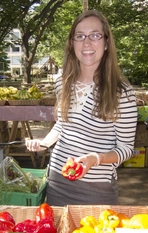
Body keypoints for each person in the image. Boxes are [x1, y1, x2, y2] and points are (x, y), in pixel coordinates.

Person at [25, 10, 138, 206]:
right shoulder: (63, 82)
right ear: (72, 43)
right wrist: (44, 143)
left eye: (95, 35)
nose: (87, 43)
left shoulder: (121, 93)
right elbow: (63, 125)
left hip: (96, 189)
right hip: (57, 181)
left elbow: (126, 149)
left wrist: (96, 158)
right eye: (80, 36)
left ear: (106, 42)